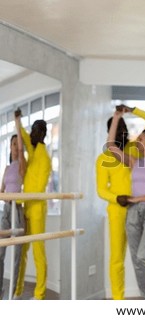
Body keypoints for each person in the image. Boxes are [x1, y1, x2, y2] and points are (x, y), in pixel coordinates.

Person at [96, 105, 145, 300]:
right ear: (110, 131)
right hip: (120, 211)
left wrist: (131, 110)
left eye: (124, 128)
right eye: (117, 128)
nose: (123, 131)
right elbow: (101, 188)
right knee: (121, 259)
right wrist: (116, 116)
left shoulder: (137, 150)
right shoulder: (107, 158)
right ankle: (120, 302)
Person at [14, 109, 51, 300]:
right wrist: (18, 119)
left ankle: (40, 294)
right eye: (33, 130)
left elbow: (37, 188)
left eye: (36, 131)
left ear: (43, 133)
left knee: (38, 250)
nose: (33, 134)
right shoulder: (33, 149)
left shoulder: (44, 158)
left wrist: (19, 199)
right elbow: (23, 136)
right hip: (26, 207)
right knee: (22, 250)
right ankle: (18, 290)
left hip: (36, 209)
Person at [0, 116, 27, 299]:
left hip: (18, 209)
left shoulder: (22, 166)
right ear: (10, 148)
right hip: (6, 210)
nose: (15, 147)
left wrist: (18, 124)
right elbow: (1, 190)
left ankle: (14, 294)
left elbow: (23, 148)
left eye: (18, 144)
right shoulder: (8, 168)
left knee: (17, 255)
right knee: (0, 252)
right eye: (13, 144)